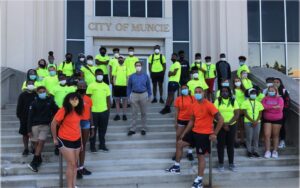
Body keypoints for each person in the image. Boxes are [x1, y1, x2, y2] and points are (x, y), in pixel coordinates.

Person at [166, 87, 224, 188]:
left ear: (204, 93)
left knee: (200, 156)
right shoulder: (194, 105)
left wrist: (214, 133)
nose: (197, 94)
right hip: (194, 132)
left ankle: (199, 180)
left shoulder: (209, 105)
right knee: (179, 143)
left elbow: (221, 119)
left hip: (204, 134)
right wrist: (184, 133)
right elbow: (192, 120)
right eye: (196, 92)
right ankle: (176, 167)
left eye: (199, 92)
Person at [51, 92, 84, 188]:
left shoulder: (78, 111)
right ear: (68, 100)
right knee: (71, 163)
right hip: (65, 139)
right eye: (72, 99)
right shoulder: (64, 110)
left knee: (75, 165)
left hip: (77, 139)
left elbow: (78, 126)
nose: (74, 101)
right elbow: (53, 124)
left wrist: (81, 141)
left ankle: (74, 185)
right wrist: (54, 138)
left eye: (76, 99)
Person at [27, 86, 58, 172]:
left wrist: (53, 119)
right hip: (34, 125)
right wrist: (28, 130)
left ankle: (33, 162)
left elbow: (57, 110)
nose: (42, 93)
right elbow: (30, 117)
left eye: (44, 91)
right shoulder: (33, 103)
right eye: (40, 92)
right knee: (36, 143)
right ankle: (39, 159)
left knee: (41, 142)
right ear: (37, 93)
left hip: (45, 125)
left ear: (46, 92)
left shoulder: (50, 101)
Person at [214, 86, 239, 172]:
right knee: (220, 145)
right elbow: (215, 114)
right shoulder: (217, 101)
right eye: (223, 91)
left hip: (231, 125)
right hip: (219, 125)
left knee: (230, 145)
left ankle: (231, 164)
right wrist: (223, 124)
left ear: (229, 92)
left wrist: (228, 123)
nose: (224, 93)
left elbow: (236, 114)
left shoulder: (233, 101)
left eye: (226, 91)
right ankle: (221, 164)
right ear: (220, 93)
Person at [87, 69, 111, 152]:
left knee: (103, 130)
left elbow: (108, 99)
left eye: (101, 74)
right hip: (93, 112)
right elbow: (87, 99)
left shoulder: (106, 86)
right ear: (95, 75)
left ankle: (102, 145)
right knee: (93, 130)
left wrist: (108, 111)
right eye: (98, 74)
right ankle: (92, 146)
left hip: (104, 111)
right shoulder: (91, 86)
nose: (100, 76)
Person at [127, 62, 152, 136]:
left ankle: (143, 128)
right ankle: (132, 129)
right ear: (135, 66)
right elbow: (129, 87)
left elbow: (148, 86)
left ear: (142, 66)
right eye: (137, 65)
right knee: (134, 112)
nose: (138, 67)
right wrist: (128, 96)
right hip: (134, 95)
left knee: (143, 112)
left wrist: (150, 95)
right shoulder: (131, 76)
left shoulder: (145, 76)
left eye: (139, 65)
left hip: (143, 94)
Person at [76, 81, 94, 179]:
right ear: (77, 87)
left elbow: (90, 113)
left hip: (86, 123)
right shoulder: (74, 98)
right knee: (76, 146)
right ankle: (75, 168)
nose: (82, 87)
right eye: (80, 86)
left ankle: (81, 167)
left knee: (83, 145)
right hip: (76, 123)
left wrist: (92, 126)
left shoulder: (88, 99)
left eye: (83, 86)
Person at [173, 84, 195, 161]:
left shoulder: (193, 98)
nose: (184, 90)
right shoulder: (178, 99)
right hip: (181, 119)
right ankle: (177, 153)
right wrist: (175, 121)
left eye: (185, 88)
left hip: (191, 120)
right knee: (178, 136)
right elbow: (176, 111)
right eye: (182, 89)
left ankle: (190, 152)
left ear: (188, 89)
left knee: (191, 137)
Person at [262, 86, 284, 158]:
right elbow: (263, 106)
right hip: (267, 119)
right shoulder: (265, 98)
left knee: (275, 135)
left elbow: (280, 108)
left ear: (276, 91)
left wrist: (268, 107)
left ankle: (275, 151)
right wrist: (273, 107)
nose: (271, 92)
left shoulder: (280, 98)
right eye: (270, 90)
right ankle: (267, 151)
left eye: (272, 90)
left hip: (277, 119)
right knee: (266, 135)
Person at [241, 88, 264, 158]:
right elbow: (245, 113)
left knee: (256, 137)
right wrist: (252, 120)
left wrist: (256, 121)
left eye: (254, 93)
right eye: (252, 93)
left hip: (257, 122)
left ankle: (255, 151)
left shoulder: (258, 103)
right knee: (249, 137)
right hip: (248, 122)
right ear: (249, 94)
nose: (253, 95)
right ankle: (249, 151)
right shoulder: (245, 102)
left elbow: (260, 113)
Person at [16, 80, 37, 156]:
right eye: (29, 83)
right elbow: (19, 107)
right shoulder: (22, 95)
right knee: (25, 134)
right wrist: (20, 117)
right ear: (26, 85)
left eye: (32, 83)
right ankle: (26, 149)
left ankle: (34, 148)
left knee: (34, 134)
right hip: (24, 118)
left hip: (34, 118)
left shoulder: (36, 94)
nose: (31, 84)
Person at [273, 78, 290, 149]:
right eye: (274, 82)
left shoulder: (284, 91)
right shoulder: (271, 90)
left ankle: (282, 141)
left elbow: (287, 102)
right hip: (273, 113)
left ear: (280, 83)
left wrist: (283, 109)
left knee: (282, 127)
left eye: (277, 82)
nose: (276, 83)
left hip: (282, 112)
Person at [112, 56, 129, 121]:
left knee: (125, 102)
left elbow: (128, 77)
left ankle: (124, 114)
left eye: (121, 59)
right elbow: (114, 76)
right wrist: (114, 85)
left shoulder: (126, 67)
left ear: (123, 60)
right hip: (117, 86)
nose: (120, 60)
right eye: (119, 59)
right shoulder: (116, 66)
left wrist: (127, 86)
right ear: (118, 60)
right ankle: (118, 115)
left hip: (125, 86)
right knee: (117, 101)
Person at [232, 77, 246, 148]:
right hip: (236, 110)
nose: (237, 82)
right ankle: (236, 140)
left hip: (243, 109)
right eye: (236, 81)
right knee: (236, 126)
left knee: (242, 126)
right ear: (234, 83)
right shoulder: (233, 91)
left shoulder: (244, 90)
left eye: (238, 81)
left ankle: (242, 140)